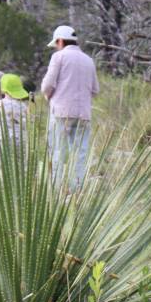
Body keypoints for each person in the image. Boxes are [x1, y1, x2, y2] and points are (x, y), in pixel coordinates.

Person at [41, 25, 99, 187]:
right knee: (80, 154)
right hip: (83, 114)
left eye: (56, 43)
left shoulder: (58, 57)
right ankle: (77, 191)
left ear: (60, 41)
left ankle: (56, 190)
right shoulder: (88, 60)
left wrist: (48, 95)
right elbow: (95, 90)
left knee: (57, 152)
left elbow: (47, 85)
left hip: (61, 112)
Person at [0, 73, 32, 149]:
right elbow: (28, 121)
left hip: (5, 141)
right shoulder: (22, 105)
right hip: (22, 141)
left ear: (3, 90)